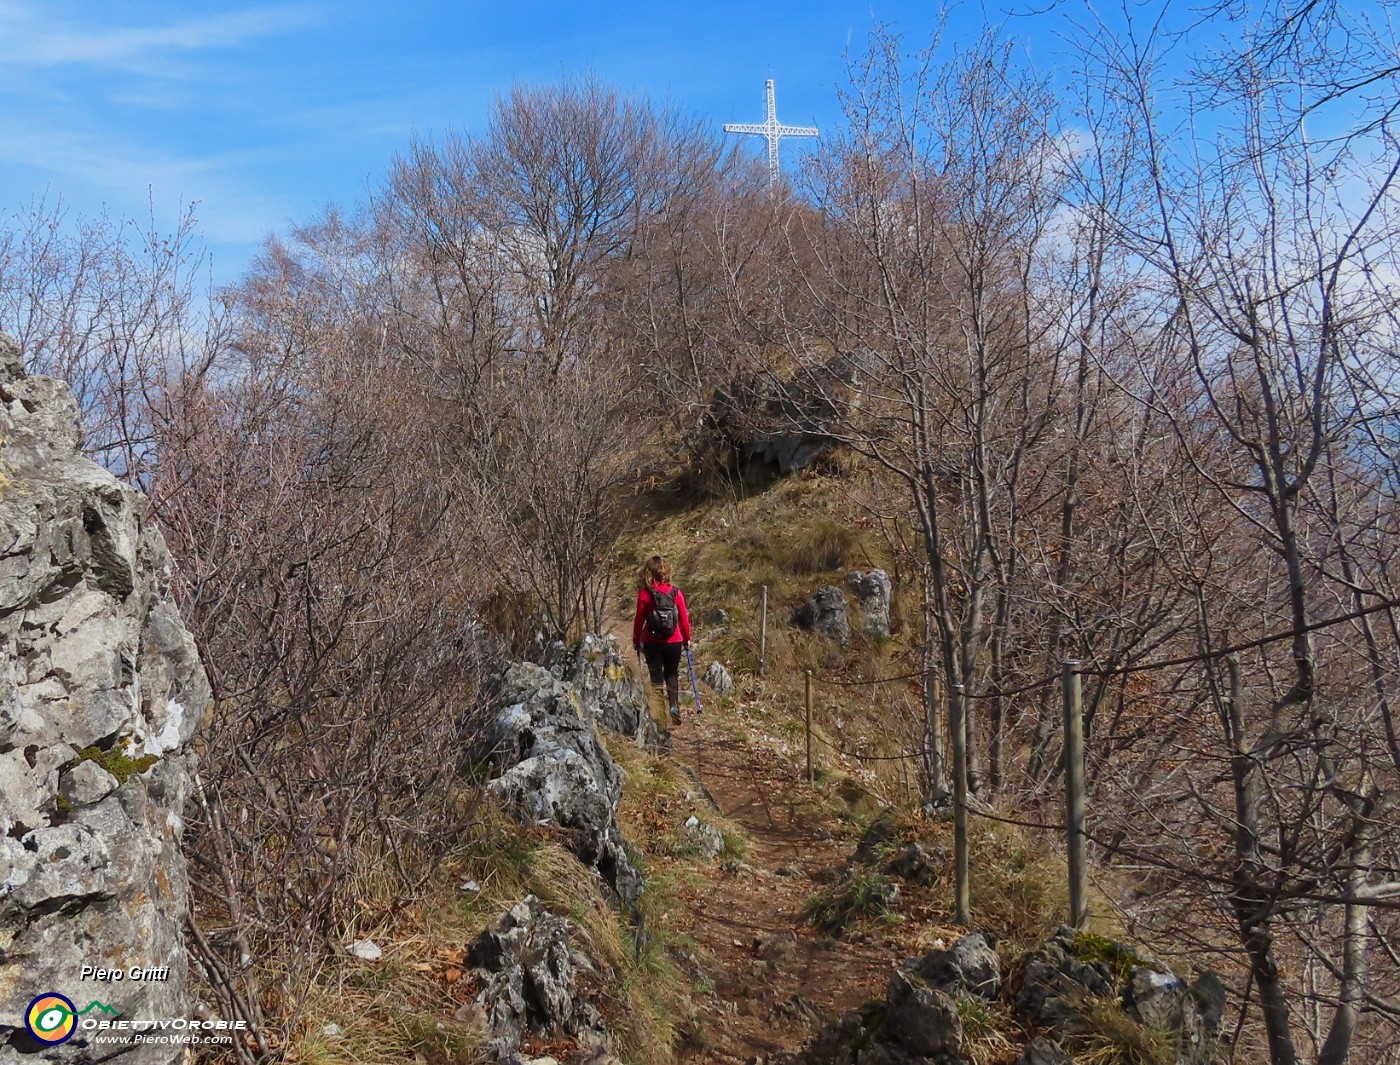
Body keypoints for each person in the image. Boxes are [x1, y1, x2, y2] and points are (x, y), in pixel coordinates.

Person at [632, 555, 692, 725]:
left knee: (656, 677)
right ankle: (674, 705)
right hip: (674, 641)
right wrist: (687, 638)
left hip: (652, 641)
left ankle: (659, 715)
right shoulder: (676, 592)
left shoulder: (645, 594)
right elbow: (684, 619)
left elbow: (639, 620)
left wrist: (636, 640)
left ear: (648, 574)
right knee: (671, 674)